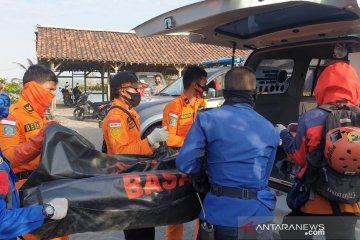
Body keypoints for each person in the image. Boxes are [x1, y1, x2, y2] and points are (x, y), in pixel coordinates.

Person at [176, 67, 279, 240]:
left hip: (220, 214)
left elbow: (185, 163)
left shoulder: (206, 119)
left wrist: (204, 170)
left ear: (224, 93)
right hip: (256, 216)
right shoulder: (270, 128)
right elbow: (265, 175)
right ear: (255, 94)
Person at [276, 61, 360, 240]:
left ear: (322, 86)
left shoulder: (310, 118)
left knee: (292, 234)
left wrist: (284, 133)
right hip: (350, 203)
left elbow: (298, 157)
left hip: (314, 202)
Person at [0, 64, 68, 240]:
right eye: (49, 89)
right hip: (25, 190)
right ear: (32, 87)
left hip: (46, 186)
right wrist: (39, 140)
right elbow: (8, 157)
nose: (52, 95)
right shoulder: (11, 117)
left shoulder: (40, 115)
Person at [102, 71, 168, 240]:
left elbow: (132, 143)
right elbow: (120, 152)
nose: (138, 92)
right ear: (123, 91)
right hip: (126, 179)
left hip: (134, 175)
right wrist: (150, 140)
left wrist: (151, 144)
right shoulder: (116, 117)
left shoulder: (128, 111)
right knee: (138, 231)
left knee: (145, 228)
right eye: (135, 88)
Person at [162, 65, 207, 240]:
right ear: (195, 84)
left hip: (200, 163)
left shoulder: (202, 104)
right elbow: (170, 139)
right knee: (176, 213)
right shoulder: (174, 107)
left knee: (201, 207)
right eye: (203, 82)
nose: (205, 86)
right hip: (178, 162)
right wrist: (194, 143)